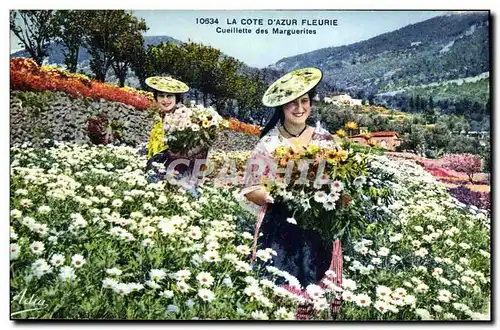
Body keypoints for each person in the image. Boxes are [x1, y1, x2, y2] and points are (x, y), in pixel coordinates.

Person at [242, 67, 343, 319]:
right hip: (280, 227)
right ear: (281, 108)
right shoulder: (269, 144)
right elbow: (250, 188)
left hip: (319, 224)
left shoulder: (324, 140)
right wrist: (277, 195)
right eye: (291, 103)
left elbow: (341, 182)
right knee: (281, 289)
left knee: (318, 282)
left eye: (304, 101)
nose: (299, 108)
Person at [144, 76, 209, 188]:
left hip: (180, 173)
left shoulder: (186, 118)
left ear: (176, 98)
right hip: (159, 169)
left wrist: (177, 167)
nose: (165, 100)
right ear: (156, 98)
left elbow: (198, 149)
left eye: (169, 96)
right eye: (161, 96)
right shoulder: (160, 118)